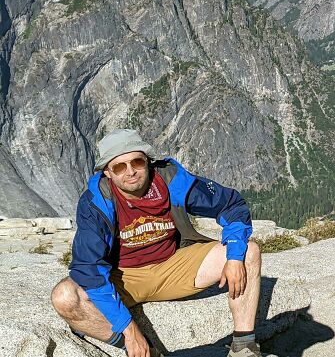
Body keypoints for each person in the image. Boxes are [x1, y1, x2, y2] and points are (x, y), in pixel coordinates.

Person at [50, 129, 270, 357]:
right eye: (119, 166)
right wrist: (130, 331)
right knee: (65, 297)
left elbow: (231, 205)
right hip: (124, 277)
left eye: (137, 162)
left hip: (174, 265)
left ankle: (244, 346)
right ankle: (145, 351)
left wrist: (234, 256)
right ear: (107, 172)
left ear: (147, 161)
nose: (131, 171)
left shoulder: (171, 181)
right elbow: (88, 269)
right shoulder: (95, 203)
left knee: (249, 252)